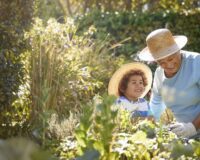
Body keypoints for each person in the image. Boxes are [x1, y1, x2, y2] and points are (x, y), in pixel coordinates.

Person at [138, 28, 200, 138]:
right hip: (186, 135)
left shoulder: (196, 63)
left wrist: (192, 127)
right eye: (162, 62)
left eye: (171, 59)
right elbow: (156, 104)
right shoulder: (159, 74)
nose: (168, 65)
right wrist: (148, 125)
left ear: (178, 50)